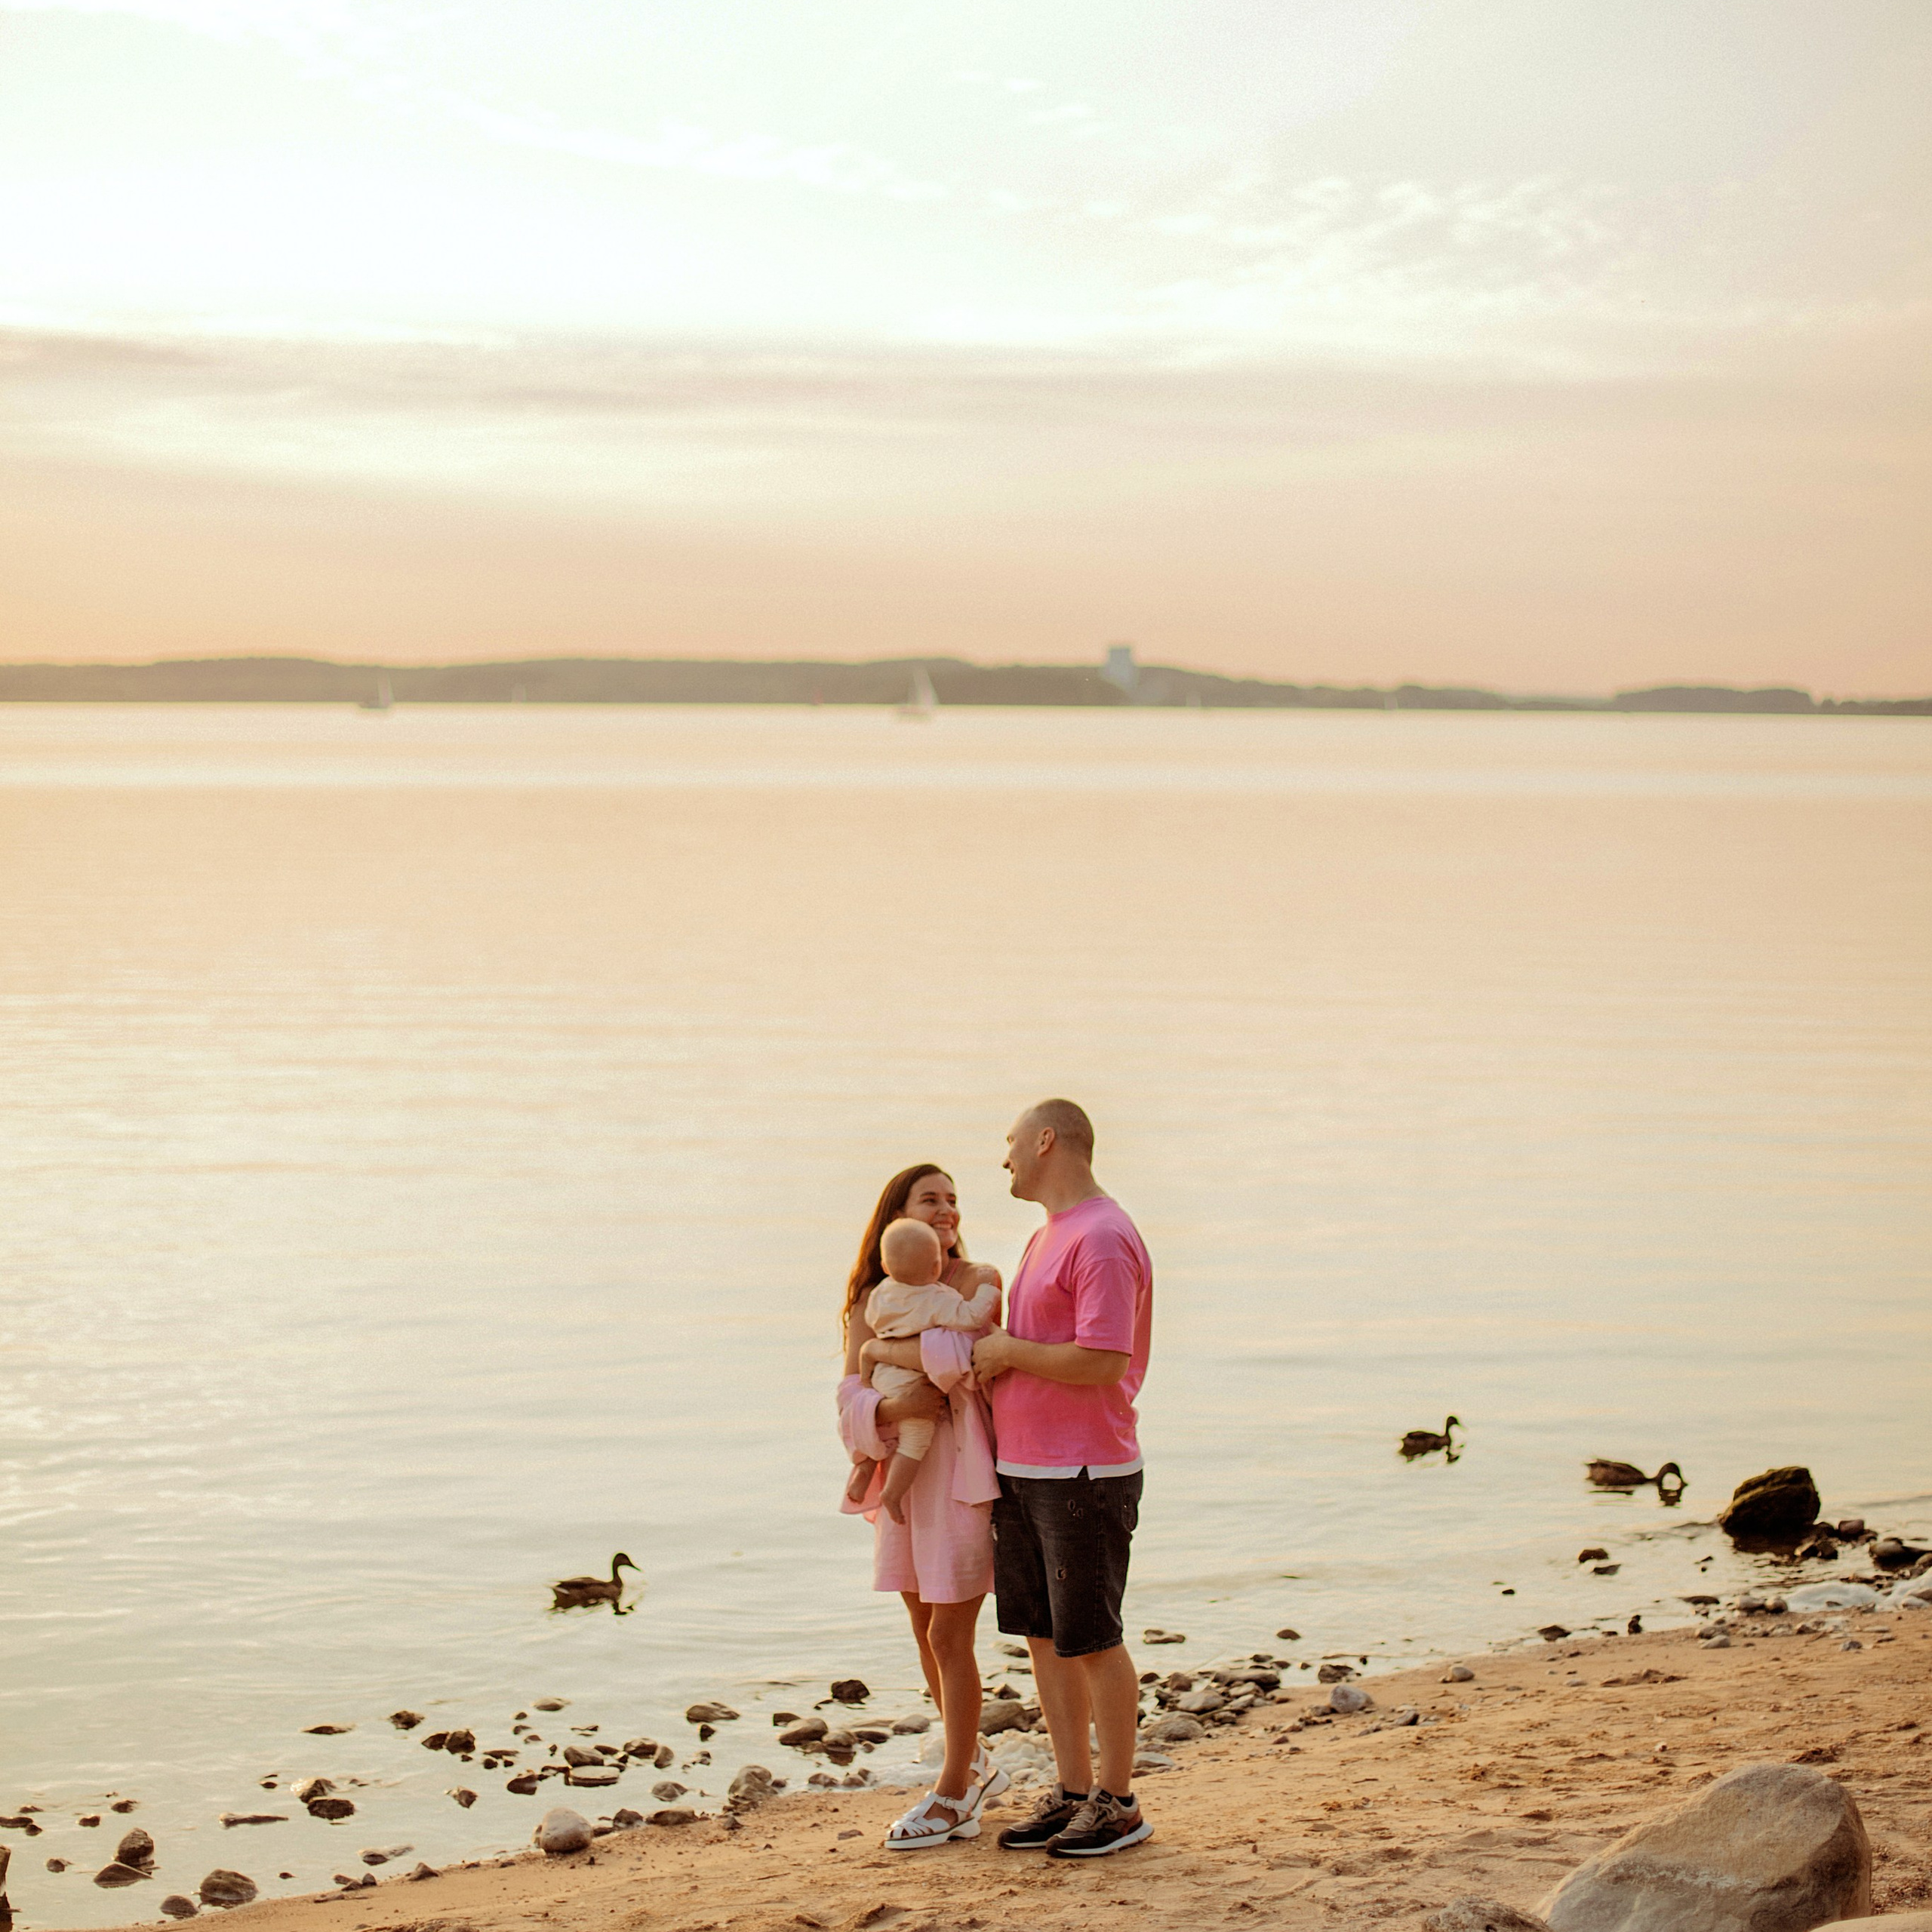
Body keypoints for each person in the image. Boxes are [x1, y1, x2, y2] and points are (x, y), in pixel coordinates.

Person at [971, 1099, 1155, 1859]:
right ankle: (1073, 1791)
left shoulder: (1103, 1236)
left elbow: (1104, 1360)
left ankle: (1119, 1801)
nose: (1003, 1156)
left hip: (1084, 1469)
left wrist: (1008, 1352)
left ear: (1046, 1140)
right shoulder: (1048, 1233)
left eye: (1010, 1141)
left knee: (1091, 1639)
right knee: (1045, 1638)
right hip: (1025, 1466)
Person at [837, 1164, 1008, 1849]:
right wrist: (888, 1401)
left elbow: (962, 1360)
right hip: (901, 1474)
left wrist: (888, 1353)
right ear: (896, 1219)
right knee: (921, 1628)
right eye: (929, 1199)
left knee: (949, 1634)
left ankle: (955, 1792)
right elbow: (851, 1393)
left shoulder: (976, 1281)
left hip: (961, 1474)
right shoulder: (870, 1303)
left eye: (953, 1200)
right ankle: (970, 1761)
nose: (946, 1210)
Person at [851, 1217, 1003, 1524]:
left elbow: (874, 1325)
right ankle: (892, 1493)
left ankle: (865, 1468)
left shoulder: (880, 1294)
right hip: (912, 1380)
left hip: (883, 1375)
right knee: (915, 1438)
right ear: (935, 1267)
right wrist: (989, 1291)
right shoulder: (935, 1297)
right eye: (930, 1200)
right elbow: (971, 1317)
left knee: (877, 1426)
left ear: (885, 1263)